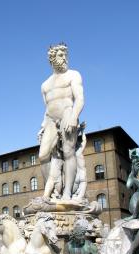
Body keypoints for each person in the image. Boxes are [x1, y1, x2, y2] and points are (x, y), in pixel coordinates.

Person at [39, 43, 84, 201]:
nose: (64, 58)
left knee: (68, 153)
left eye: (66, 55)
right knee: (43, 156)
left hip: (67, 113)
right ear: (52, 58)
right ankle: (52, 189)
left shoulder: (73, 75)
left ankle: (67, 193)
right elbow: (47, 108)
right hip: (51, 120)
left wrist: (73, 116)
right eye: (60, 55)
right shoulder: (45, 85)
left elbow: (79, 99)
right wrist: (43, 125)